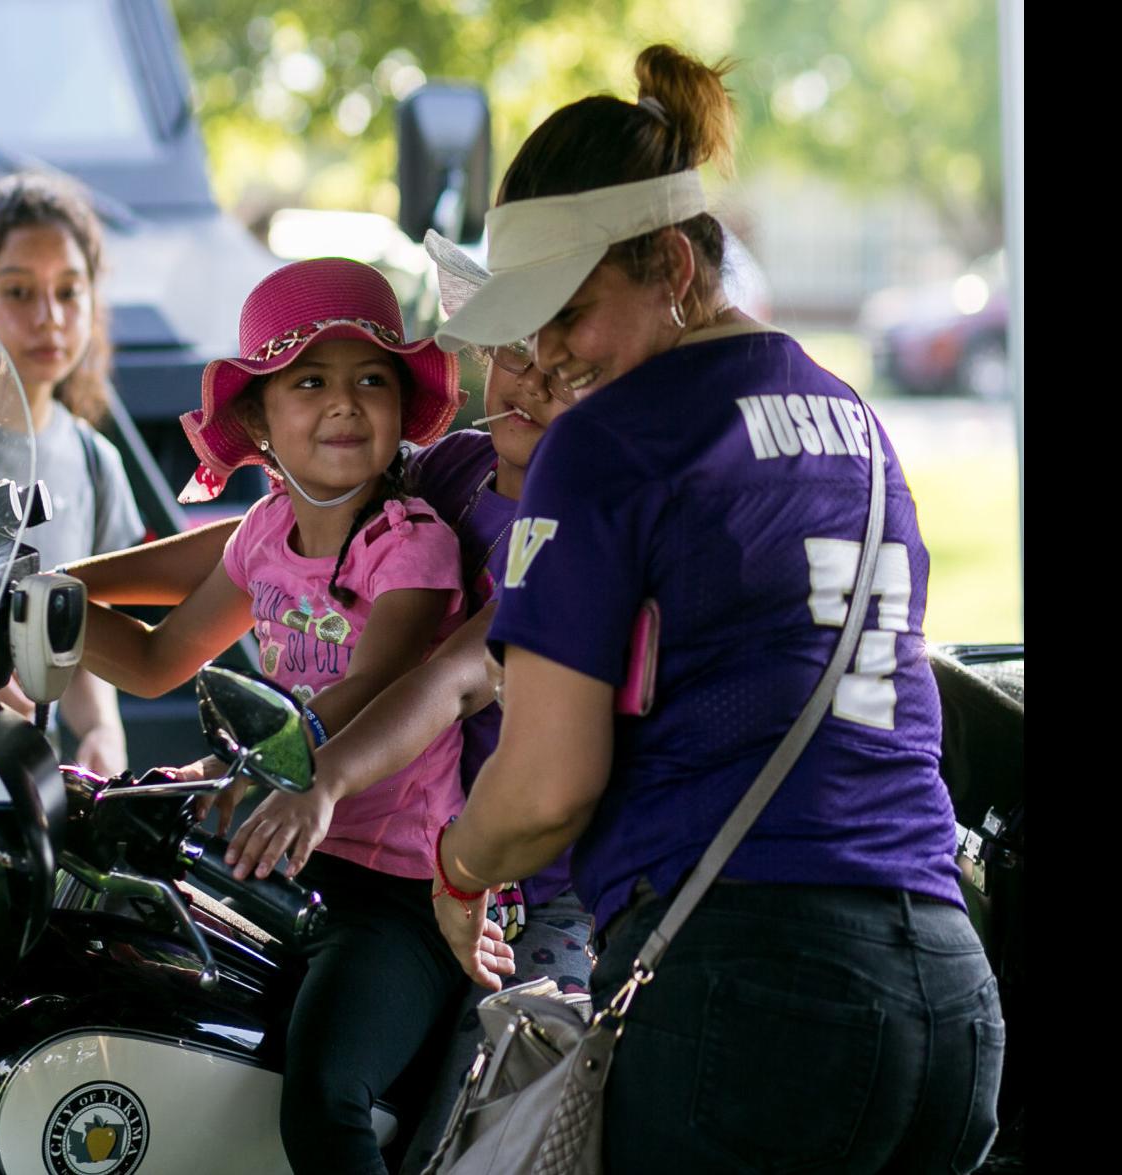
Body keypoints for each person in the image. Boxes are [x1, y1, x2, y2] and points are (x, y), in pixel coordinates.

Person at [429, 45, 1004, 1172]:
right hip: (950, 997)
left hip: (754, 998)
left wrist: (456, 869)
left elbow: (545, 789)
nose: (546, 356)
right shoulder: (852, 420)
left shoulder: (607, 444)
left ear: (676, 266)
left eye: (574, 311)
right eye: (529, 323)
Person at [74, 256, 467, 1175]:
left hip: (401, 890)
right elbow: (152, 660)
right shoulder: (261, 538)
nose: (344, 403)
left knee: (322, 1096)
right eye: (310, 383)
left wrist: (258, 763)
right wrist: (31, 607)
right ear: (257, 421)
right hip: (292, 859)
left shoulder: (412, 543)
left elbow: (377, 676)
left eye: (371, 379)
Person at [0, 171, 144, 775]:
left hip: (25, 785)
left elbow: (81, 639)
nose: (49, 317)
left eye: (68, 292)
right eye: (19, 292)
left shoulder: (95, 464)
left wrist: (103, 728)